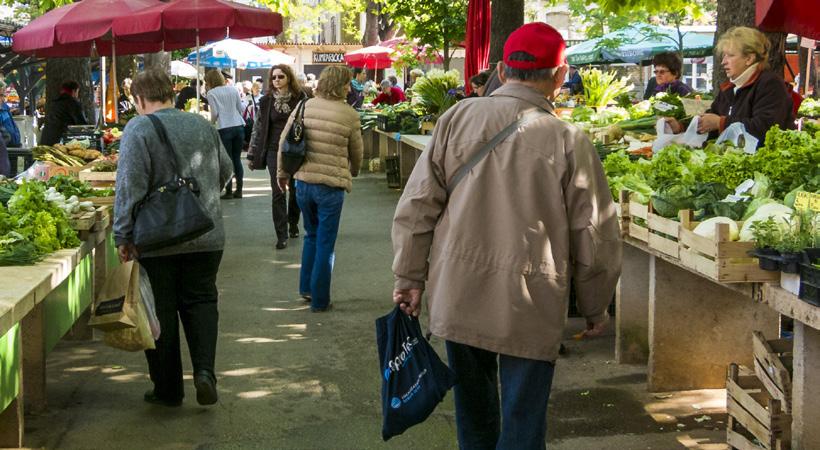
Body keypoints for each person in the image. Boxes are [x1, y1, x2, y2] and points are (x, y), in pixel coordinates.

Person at [391, 22, 621, 449]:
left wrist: (408, 277)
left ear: (501, 68)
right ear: (560, 74)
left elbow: (418, 206)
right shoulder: (568, 139)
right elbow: (594, 231)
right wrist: (595, 304)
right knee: (522, 423)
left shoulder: (455, 118)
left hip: (459, 288)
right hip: (531, 298)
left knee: (474, 418)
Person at [113, 68, 233, 408]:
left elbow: (129, 186)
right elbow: (225, 171)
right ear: (170, 92)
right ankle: (206, 373)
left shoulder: (138, 128)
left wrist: (122, 234)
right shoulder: (202, 124)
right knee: (202, 302)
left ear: (138, 98)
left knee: (160, 312)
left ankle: (168, 389)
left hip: (157, 239)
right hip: (206, 233)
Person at [276, 66, 362, 313]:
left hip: (303, 184)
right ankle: (320, 300)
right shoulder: (349, 115)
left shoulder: (305, 106)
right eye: (347, 84)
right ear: (340, 85)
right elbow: (356, 152)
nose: (349, 88)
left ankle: (306, 288)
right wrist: (353, 171)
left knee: (311, 236)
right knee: (326, 242)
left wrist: (282, 174)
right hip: (331, 188)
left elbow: (285, 141)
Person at [667, 27, 794, 145]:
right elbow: (711, 117)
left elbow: (765, 128)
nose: (723, 62)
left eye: (730, 55)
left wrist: (720, 123)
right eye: (724, 56)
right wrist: (681, 126)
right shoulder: (730, 87)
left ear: (749, 59)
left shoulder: (770, 84)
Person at [247, 65, 306, 249]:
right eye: (274, 78)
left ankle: (293, 222)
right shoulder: (266, 101)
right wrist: (252, 153)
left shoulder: (301, 99)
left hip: (295, 150)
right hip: (273, 151)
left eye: (281, 76)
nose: (277, 80)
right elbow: (257, 128)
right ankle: (281, 235)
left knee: (296, 190)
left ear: (289, 77)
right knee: (278, 191)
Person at [205, 70, 246, 199]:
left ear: (210, 81)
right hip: (238, 126)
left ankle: (228, 191)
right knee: (237, 159)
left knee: (227, 161)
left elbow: (215, 113)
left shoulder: (211, 93)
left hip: (224, 127)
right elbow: (241, 108)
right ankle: (239, 190)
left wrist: (211, 124)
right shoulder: (233, 89)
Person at [40, 81, 89, 146]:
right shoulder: (73, 103)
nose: (77, 95)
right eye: (77, 92)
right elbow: (81, 124)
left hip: (46, 139)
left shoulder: (54, 103)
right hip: (61, 141)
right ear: (74, 91)